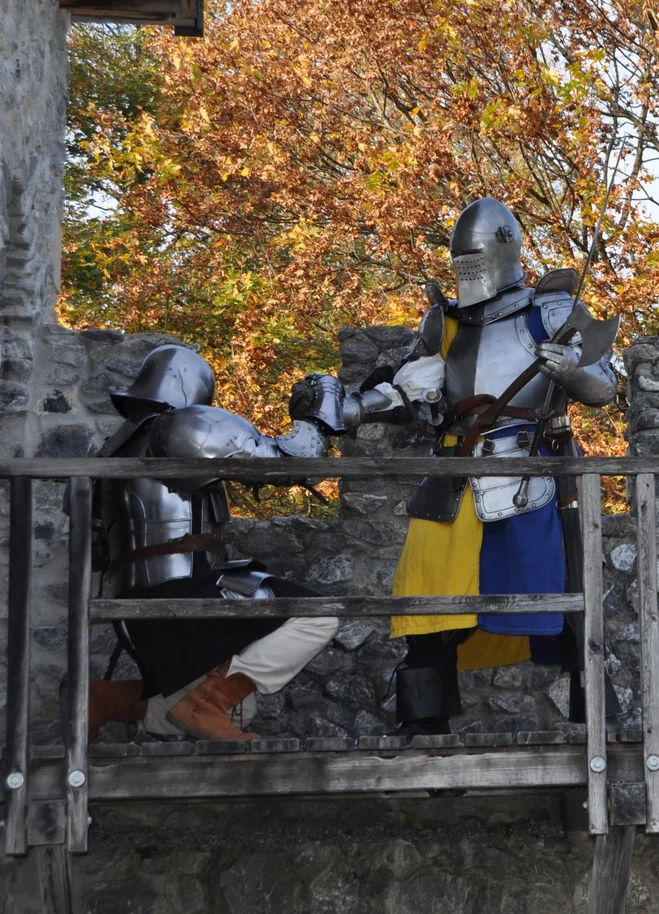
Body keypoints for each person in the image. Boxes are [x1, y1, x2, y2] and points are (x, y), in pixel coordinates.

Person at [298, 198, 619, 736]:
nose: (465, 268)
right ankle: (426, 733)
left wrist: (568, 370)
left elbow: (603, 387)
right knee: (426, 606)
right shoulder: (441, 323)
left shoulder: (553, 311)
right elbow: (410, 393)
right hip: (451, 474)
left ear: (502, 249)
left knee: (562, 605)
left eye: (474, 256)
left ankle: (601, 734)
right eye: (458, 258)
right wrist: (356, 407)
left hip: (530, 477)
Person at [87, 344, 346, 742]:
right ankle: (205, 701)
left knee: (242, 712)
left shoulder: (116, 448)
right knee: (317, 613)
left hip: (134, 603)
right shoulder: (180, 426)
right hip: (177, 593)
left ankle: (115, 699)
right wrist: (324, 410)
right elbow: (292, 461)